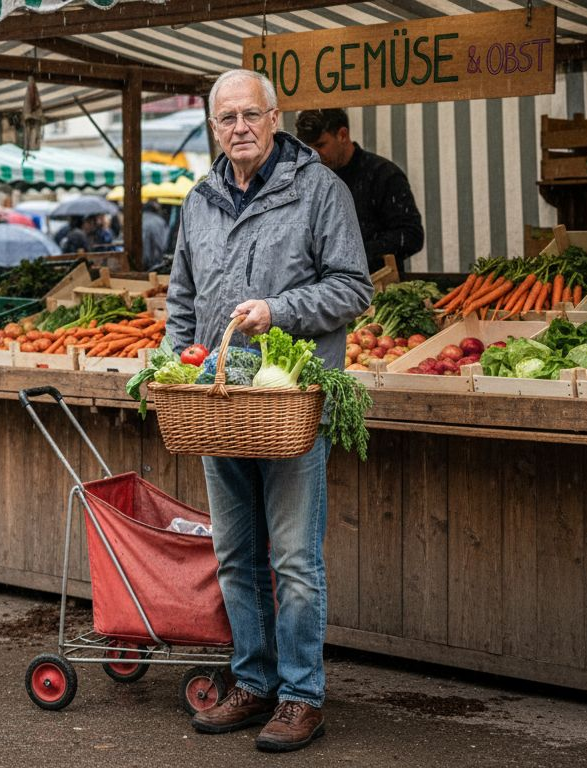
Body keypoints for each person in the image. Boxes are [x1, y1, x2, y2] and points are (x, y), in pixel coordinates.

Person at [168, 69, 371, 753]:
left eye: (250, 115)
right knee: (234, 557)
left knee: (293, 561)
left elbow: (353, 288)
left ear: (275, 117)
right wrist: (180, 369)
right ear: (213, 127)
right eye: (225, 119)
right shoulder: (198, 200)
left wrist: (278, 310)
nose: (239, 129)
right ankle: (251, 684)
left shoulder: (320, 191)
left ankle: (301, 696)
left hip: (290, 404)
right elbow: (181, 301)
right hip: (219, 405)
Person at [294, 108, 424, 273]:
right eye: (308, 148)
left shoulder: (383, 175)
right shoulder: (308, 179)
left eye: (320, 145)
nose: (314, 154)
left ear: (342, 135)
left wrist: (355, 251)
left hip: (377, 286)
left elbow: (412, 236)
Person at [141, 201, 170, 271]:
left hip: (139, 263)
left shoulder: (137, 219)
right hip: (154, 264)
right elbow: (163, 244)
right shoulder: (160, 222)